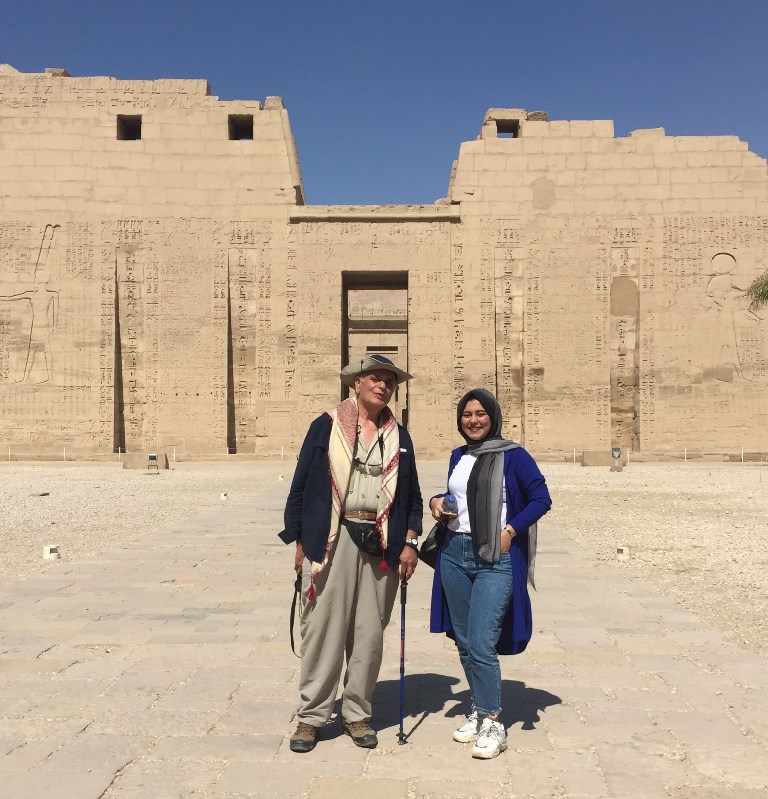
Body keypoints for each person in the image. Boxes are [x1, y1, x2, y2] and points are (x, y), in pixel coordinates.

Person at [280, 354, 423, 753]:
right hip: (334, 535)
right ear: (355, 384)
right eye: (375, 379)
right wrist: (301, 539)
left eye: (390, 382)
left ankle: (357, 713)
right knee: (324, 627)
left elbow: (410, 496)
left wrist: (410, 542)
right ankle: (312, 717)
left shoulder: (400, 436)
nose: (383, 386)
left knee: (369, 633)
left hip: (381, 541)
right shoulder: (325, 426)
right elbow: (302, 484)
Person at [428, 388, 551, 759]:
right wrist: (437, 501)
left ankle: (493, 721)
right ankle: (479, 710)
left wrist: (510, 531)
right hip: (454, 553)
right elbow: (460, 495)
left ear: (493, 417)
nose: (474, 420)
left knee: (482, 641)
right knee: (465, 641)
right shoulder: (458, 455)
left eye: (481, 413)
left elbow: (541, 497)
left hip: (494, 556)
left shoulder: (513, 456)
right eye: (467, 414)